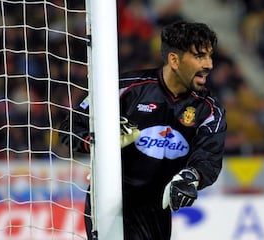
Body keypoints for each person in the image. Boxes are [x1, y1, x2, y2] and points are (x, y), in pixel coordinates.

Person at [59, 20, 227, 240]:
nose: (209, 64)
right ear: (174, 60)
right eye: (199, 56)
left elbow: (208, 158)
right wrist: (100, 141)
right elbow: (69, 128)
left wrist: (191, 176)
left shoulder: (209, 109)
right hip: (111, 201)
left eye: (209, 56)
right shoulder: (124, 89)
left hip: (157, 212)